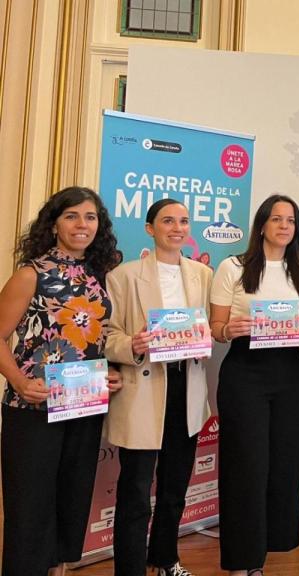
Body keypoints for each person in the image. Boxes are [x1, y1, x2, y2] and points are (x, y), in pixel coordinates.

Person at [0, 186, 122, 576]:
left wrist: (109, 371)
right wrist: (19, 382)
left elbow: (99, 337)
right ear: (54, 224)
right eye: (71, 216)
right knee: (30, 505)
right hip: (33, 407)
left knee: (72, 499)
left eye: (90, 217)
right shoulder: (31, 274)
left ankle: (59, 570)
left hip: (83, 404)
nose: (81, 224)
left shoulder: (103, 275)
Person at [210, 195, 299, 576]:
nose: (284, 226)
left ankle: (264, 554)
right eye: (276, 219)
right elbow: (215, 328)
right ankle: (241, 563)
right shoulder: (233, 267)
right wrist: (229, 329)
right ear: (261, 225)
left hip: (289, 371)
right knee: (245, 465)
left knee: (283, 463)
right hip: (245, 372)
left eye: (291, 220)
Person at [106, 199, 212, 576]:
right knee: (136, 490)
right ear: (150, 229)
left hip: (186, 385)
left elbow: (210, 326)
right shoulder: (124, 276)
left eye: (183, 221)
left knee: (174, 486)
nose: (177, 228)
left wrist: (204, 338)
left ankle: (166, 558)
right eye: (168, 221)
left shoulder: (202, 275)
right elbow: (106, 335)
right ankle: (130, 569)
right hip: (144, 387)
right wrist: (131, 345)